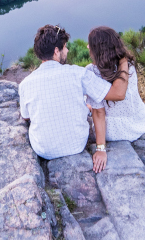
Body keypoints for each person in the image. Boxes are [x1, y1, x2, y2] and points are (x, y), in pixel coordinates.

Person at [18, 24, 128, 173]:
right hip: (76, 145)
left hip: (43, 150)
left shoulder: (25, 84)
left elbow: (26, 117)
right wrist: (123, 60)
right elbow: (118, 94)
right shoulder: (79, 74)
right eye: (65, 47)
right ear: (56, 51)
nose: (67, 50)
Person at [86, 27, 145, 157]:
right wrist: (124, 60)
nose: (88, 46)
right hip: (137, 125)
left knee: (92, 104)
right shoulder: (128, 67)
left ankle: (87, 106)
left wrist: (101, 149)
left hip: (111, 131)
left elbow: (99, 112)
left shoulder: (91, 71)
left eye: (91, 45)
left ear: (98, 49)